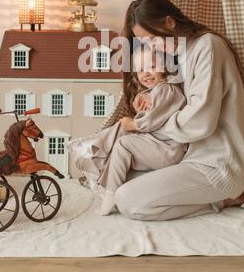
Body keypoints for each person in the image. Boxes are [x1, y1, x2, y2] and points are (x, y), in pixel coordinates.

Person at [112, 0, 244, 221]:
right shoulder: (179, 54)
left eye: (153, 39)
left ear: (169, 22)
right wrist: (149, 101)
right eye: (146, 43)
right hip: (188, 158)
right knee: (120, 173)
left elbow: (200, 121)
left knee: (127, 200)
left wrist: (143, 125)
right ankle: (213, 196)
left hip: (217, 166)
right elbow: (173, 101)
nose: (152, 47)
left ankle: (222, 199)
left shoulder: (208, 46)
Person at [68, 45, 188, 215]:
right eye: (140, 70)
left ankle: (106, 182)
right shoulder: (155, 92)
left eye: (151, 67)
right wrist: (139, 113)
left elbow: (151, 121)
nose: (145, 73)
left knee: (124, 141)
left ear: (165, 66)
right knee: (122, 137)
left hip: (167, 149)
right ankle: (102, 167)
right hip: (158, 145)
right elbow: (156, 119)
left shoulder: (166, 89)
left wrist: (133, 123)